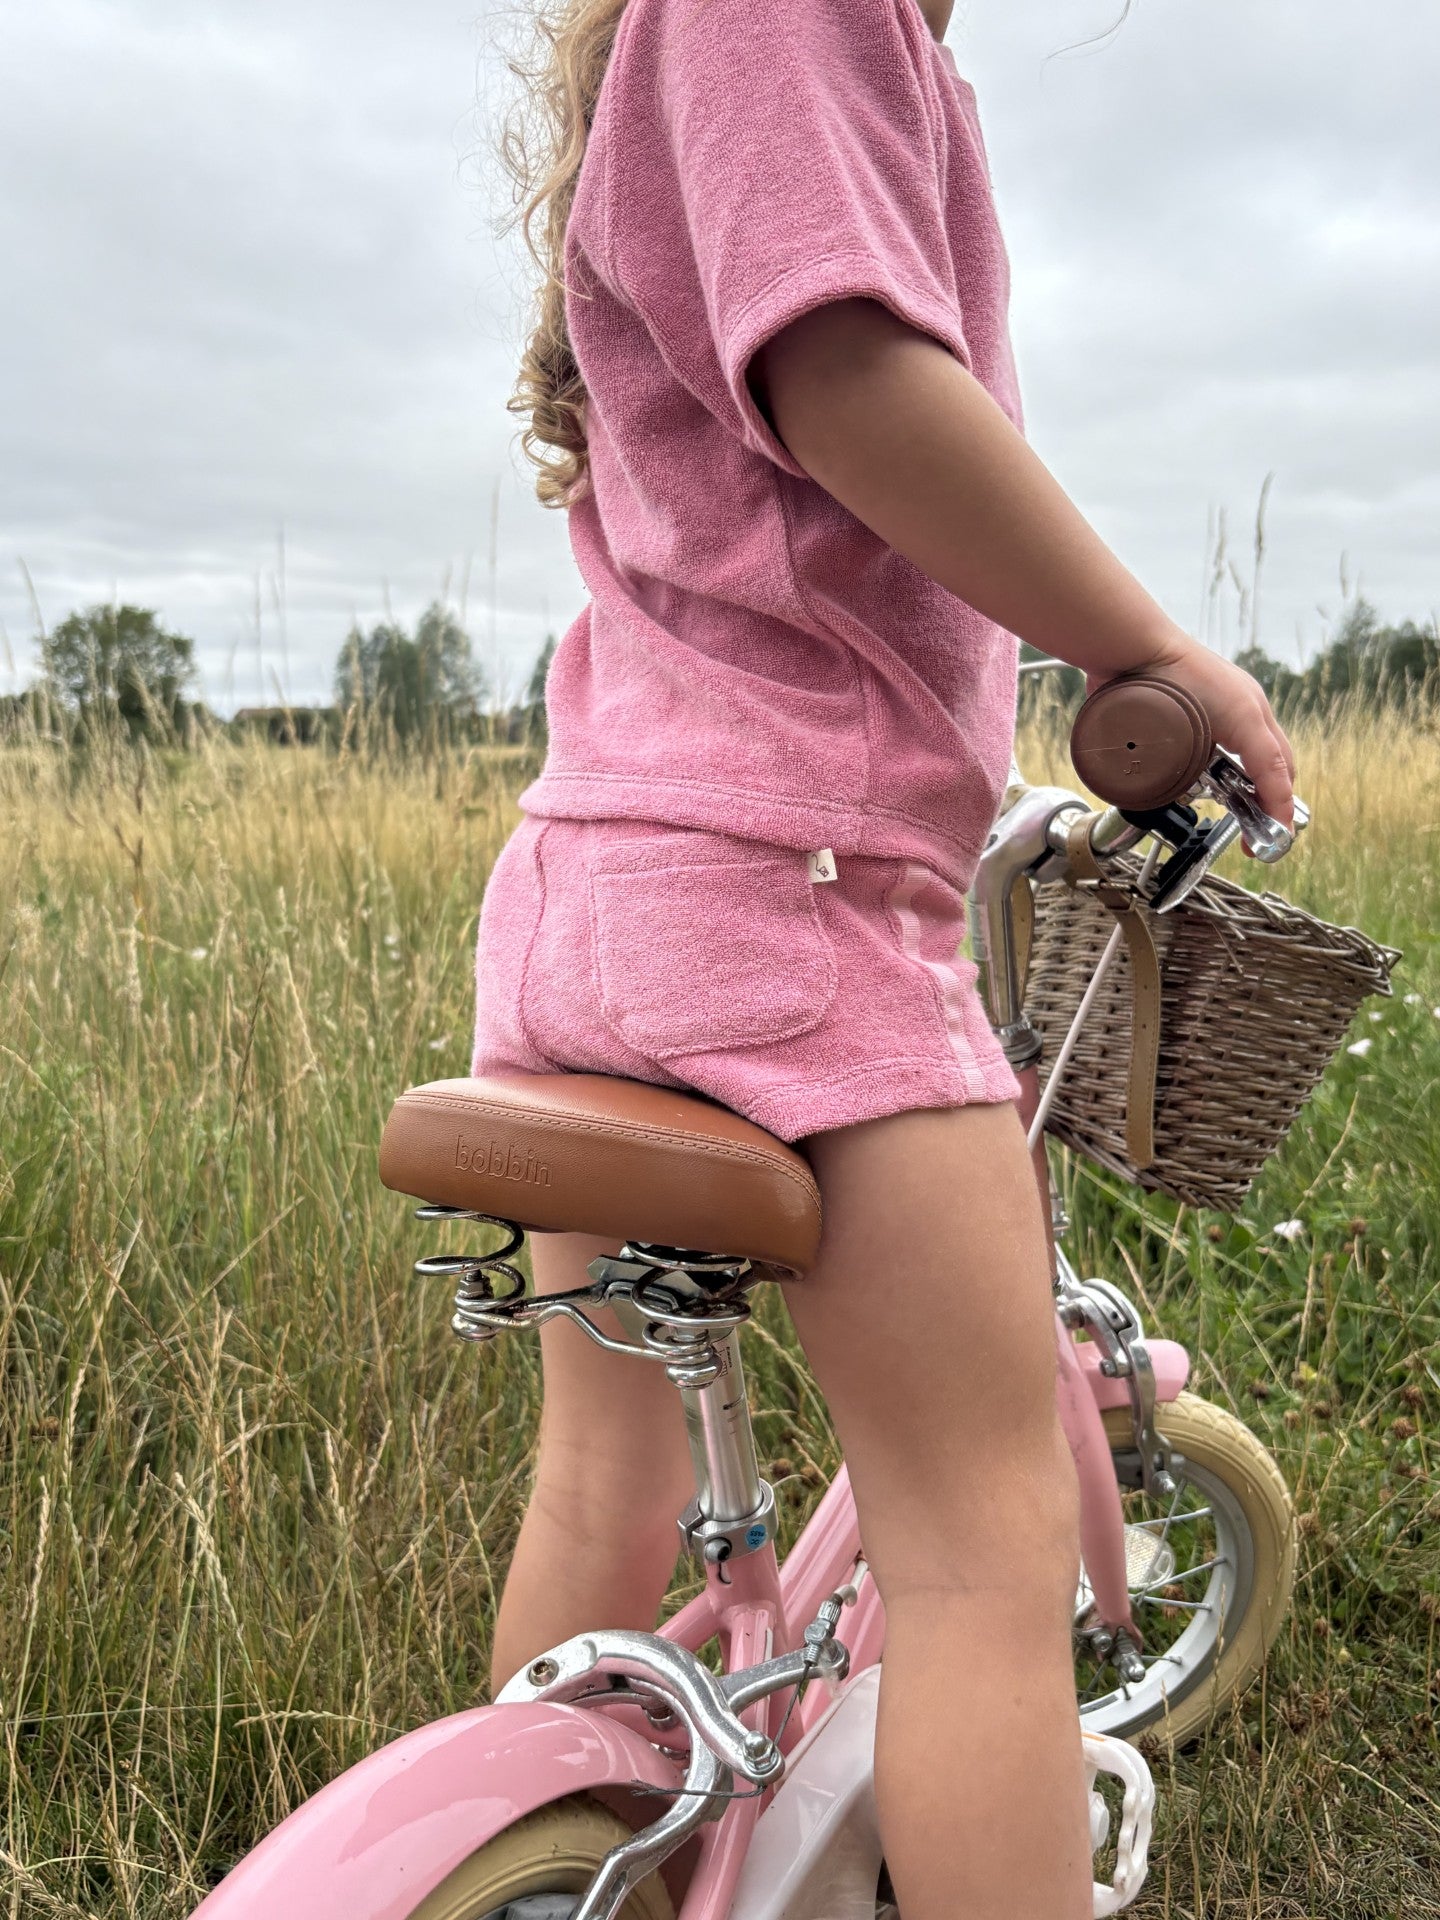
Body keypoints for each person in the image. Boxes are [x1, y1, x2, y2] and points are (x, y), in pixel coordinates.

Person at [473, 0, 1296, 1913]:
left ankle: (530, 1865)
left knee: (602, 1477)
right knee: (984, 1555)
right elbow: (845, 369)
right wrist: (1148, 649)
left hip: (602, 906)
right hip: (798, 904)